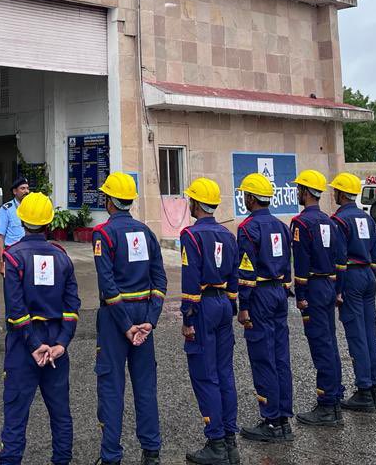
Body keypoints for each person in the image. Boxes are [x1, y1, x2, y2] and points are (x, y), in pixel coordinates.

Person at [0, 192, 80, 465]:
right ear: (49, 223)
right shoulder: (62, 257)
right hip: (56, 344)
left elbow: (16, 310)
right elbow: (72, 306)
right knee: (60, 414)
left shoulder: (13, 258)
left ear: (21, 221)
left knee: (16, 414)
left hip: (25, 346)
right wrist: (61, 344)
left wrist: (34, 345)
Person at [92, 172, 167, 465]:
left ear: (110, 200)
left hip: (116, 317)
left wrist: (126, 325)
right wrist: (150, 320)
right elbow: (159, 279)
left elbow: (107, 284)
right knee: (145, 385)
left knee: (111, 386)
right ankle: (152, 452)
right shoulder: (146, 232)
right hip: (143, 316)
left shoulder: (104, 234)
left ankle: (111, 455)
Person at [179, 177, 240, 465]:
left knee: (205, 375)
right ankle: (230, 441)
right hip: (223, 304)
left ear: (195, 203)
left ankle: (215, 443)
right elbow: (234, 275)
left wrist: (187, 315)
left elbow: (190, 278)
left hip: (202, 305)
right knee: (225, 372)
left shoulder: (190, 236)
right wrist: (231, 302)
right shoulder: (228, 235)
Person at [235, 172, 294, 443]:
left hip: (258, 294)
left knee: (263, 357)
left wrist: (243, 305)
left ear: (250, 198)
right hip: (279, 292)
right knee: (281, 357)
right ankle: (283, 418)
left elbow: (246, 270)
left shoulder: (247, 229)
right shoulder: (282, 226)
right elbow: (287, 265)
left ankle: (271, 421)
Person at [290, 169, 346, 427]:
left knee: (321, 346)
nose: (297, 193)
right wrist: (337, 289)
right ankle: (333, 398)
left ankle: (327, 406)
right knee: (330, 344)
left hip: (312, 287)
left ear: (304, 192)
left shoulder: (301, 223)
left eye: (299, 188)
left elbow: (300, 264)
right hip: (328, 284)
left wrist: (300, 295)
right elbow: (339, 259)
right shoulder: (329, 221)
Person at [330, 172, 376, 412]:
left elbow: (339, 260)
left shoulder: (339, 221)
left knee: (357, 335)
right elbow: (375, 254)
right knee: (370, 332)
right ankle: (373, 389)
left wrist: (338, 289)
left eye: (335, 190)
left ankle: (363, 390)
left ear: (341, 194)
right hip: (368, 274)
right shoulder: (367, 218)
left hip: (350, 275)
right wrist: (371, 276)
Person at [0, 177, 31, 276]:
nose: (26, 191)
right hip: (12, 254)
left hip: (28, 252)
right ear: (15, 191)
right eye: (23, 188)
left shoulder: (31, 208)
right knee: (12, 286)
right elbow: (0, 237)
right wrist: (1, 262)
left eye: (27, 188)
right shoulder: (6, 209)